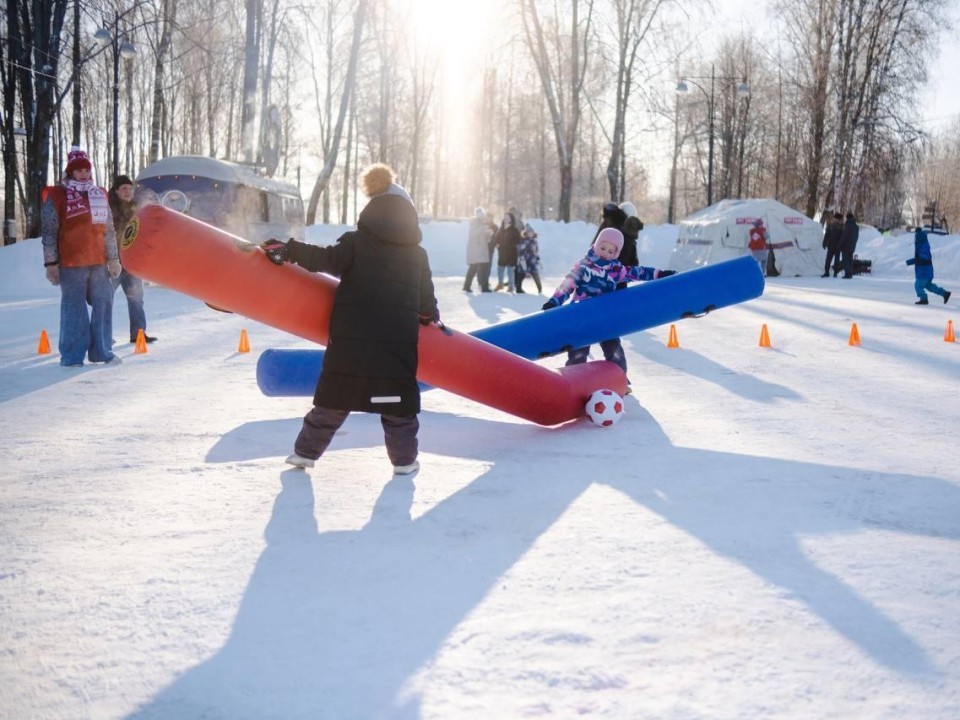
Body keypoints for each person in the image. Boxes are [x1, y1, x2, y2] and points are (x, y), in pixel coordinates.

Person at [259, 163, 439, 475]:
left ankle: (304, 454)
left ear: (373, 210)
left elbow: (324, 259)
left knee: (334, 399)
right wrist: (428, 315)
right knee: (398, 407)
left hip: (351, 342)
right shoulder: (417, 255)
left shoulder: (356, 243)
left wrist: (287, 249)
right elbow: (425, 303)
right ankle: (404, 462)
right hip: (396, 346)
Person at [542, 227, 675, 390]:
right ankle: (572, 382)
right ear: (596, 244)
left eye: (611, 251)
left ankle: (620, 381)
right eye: (603, 247)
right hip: (582, 318)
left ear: (616, 254)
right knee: (578, 352)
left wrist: (660, 274)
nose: (605, 253)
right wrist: (554, 302)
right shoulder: (583, 267)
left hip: (605, 318)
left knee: (614, 351)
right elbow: (568, 285)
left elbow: (638, 272)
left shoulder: (616, 270)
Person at [41, 146, 122, 367]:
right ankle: (72, 356)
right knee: (74, 308)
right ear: (70, 172)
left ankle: (102, 351)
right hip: (71, 262)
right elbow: (49, 231)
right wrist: (51, 263)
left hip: (98, 261)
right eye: (78, 171)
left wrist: (113, 258)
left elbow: (109, 228)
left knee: (104, 303)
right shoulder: (58, 195)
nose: (83, 174)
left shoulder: (100, 193)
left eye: (86, 170)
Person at [108, 175, 156, 344]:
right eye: (123, 189)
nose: (127, 192)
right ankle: (103, 335)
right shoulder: (109, 208)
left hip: (132, 263)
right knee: (105, 299)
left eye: (130, 188)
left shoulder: (137, 209)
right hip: (112, 263)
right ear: (116, 191)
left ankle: (138, 334)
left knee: (136, 298)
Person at [907, 226, 952, 305]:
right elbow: (920, 258)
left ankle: (923, 299)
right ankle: (945, 293)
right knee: (929, 286)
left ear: (917, 236)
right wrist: (911, 262)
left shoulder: (921, 246)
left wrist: (915, 260)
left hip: (923, 271)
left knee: (918, 285)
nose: (914, 239)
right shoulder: (923, 244)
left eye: (915, 237)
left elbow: (923, 258)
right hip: (927, 270)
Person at [463, 207, 493, 292]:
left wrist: (488, 234)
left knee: (477, 267)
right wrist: (484, 230)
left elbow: (483, 237)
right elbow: (474, 234)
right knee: (477, 267)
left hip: (480, 249)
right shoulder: (475, 223)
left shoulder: (480, 224)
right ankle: (482, 287)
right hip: (477, 249)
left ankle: (470, 285)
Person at [492, 212, 521, 292]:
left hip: (511, 252)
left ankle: (511, 286)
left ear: (511, 219)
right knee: (500, 268)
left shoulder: (514, 229)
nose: (506, 219)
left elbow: (518, 240)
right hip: (502, 252)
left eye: (508, 217)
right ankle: (500, 284)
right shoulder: (501, 229)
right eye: (505, 217)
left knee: (510, 270)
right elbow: (496, 238)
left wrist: (511, 243)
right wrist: (497, 244)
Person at [515, 222, 543, 294]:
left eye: (532, 232)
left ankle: (540, 289)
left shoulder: (534, 241)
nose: (531, 233)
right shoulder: (524, 241)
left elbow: (535, 251)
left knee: (535, 274)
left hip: (532, 260)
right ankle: (518, 288)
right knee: (522, 274)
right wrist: (522, 259)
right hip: (525, 260)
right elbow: (520, 250)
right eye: (529, 232)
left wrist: (538, 259)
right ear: (526, 233)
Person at [821, 212, 844, 277]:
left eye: (835, 219)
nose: (834, 220)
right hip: (831, 246)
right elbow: (827, 235)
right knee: (828, 260)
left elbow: (843, 237)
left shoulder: (842, 227)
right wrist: (824, 243)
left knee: (835, 260)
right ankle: (827, 272)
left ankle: (835, 273)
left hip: (837, 247)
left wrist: (841, 246)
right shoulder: (831, 225)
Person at [839, 212, 860, 279]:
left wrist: (840, 244)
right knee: (850, 260)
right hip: (852, 246)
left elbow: (844, 236)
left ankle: (847, 273)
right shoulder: (856, 227)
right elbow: (856, 237)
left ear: (847, 218)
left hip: (846, 246)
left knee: (845, 260)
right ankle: (850, 273)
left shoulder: (848, 225)